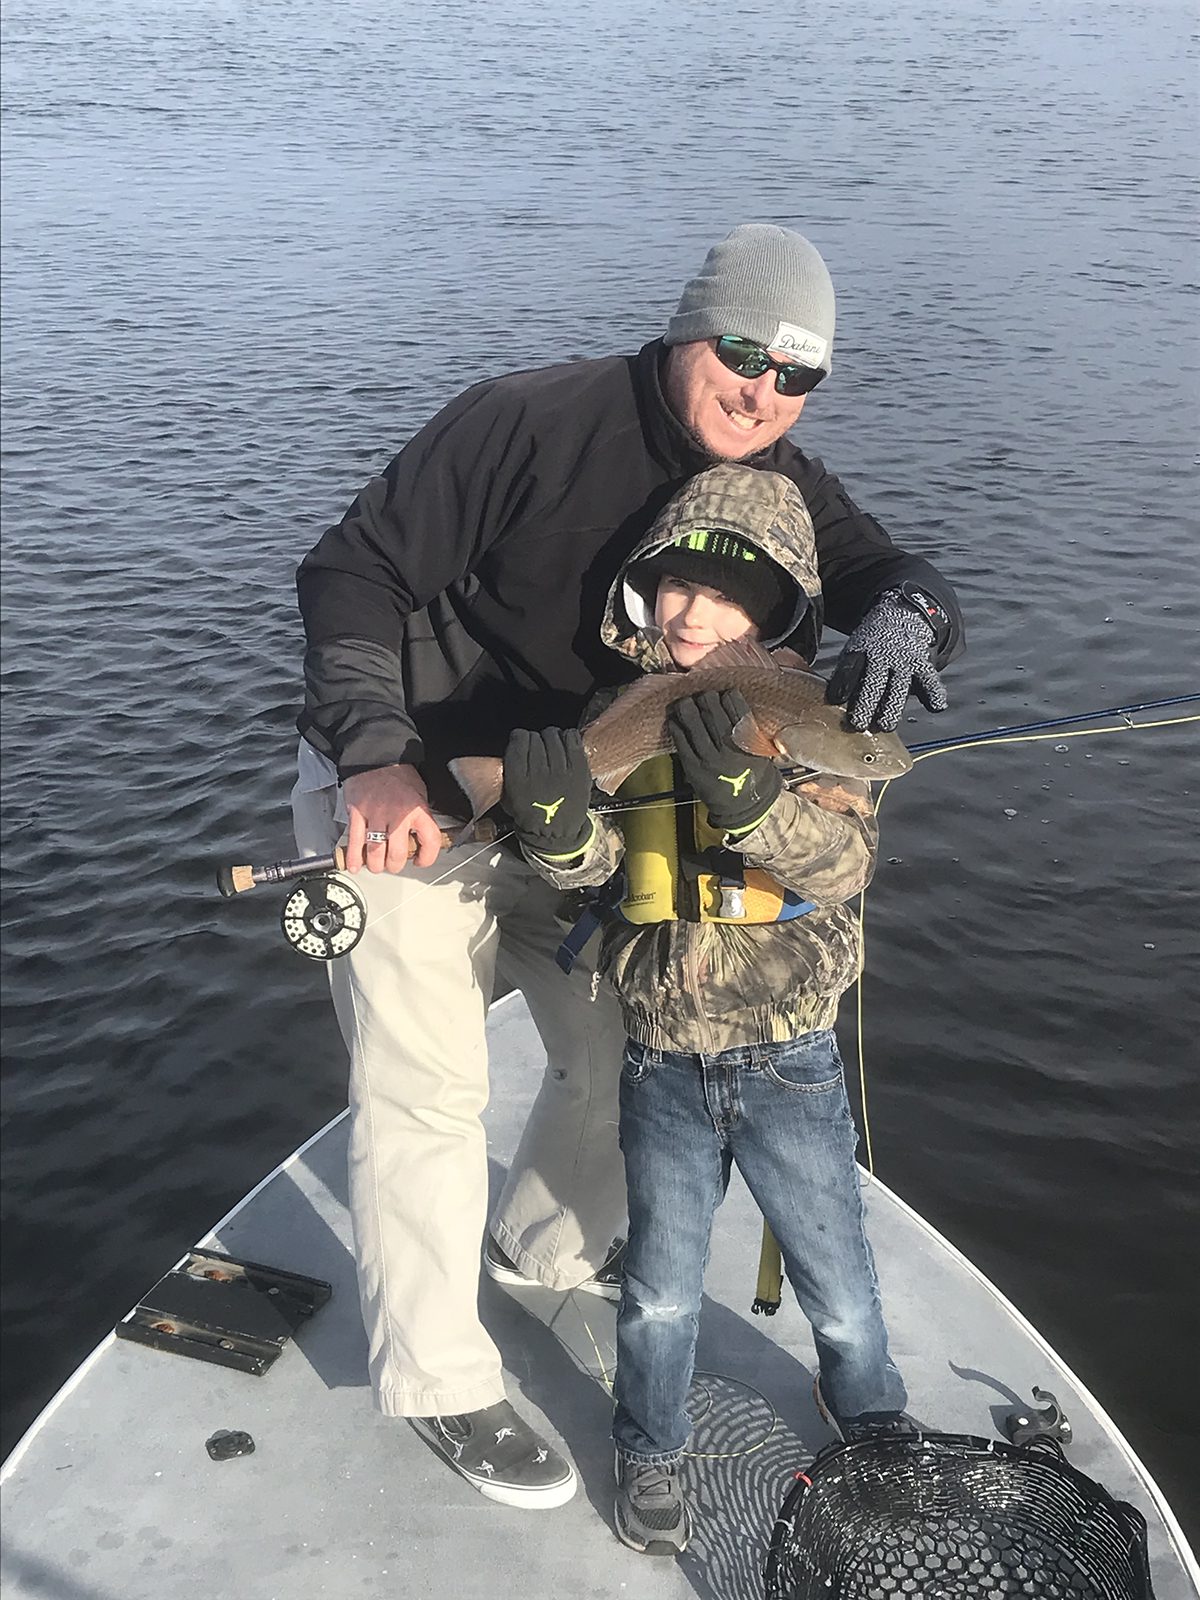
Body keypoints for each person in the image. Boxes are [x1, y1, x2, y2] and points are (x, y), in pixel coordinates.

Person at [290, 223, 961, 1509]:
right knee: (426, 1085)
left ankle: (541, 1251)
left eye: (801, 373)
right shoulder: (523, 420)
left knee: (620, 1048)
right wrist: (374, 755)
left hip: (582, 812)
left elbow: (895, 571)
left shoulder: (775, 476)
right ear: (686, 329)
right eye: (747, 351)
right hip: (413, 794)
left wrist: (911, 611)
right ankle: (442, 1378)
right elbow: (350, 570)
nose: (766, 389)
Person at [501, 462, 910, 1555]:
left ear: (775, 610)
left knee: (841, 1278)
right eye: (673, 588)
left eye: (726, 596)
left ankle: (872, 1422)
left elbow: (842, 861)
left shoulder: (819, 715)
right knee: (662, 1287)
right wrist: (551, 832)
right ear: (641, 595)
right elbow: (596, 873)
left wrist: (760, 805)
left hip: (793, 1056)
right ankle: (650, 1444)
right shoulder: (618, 714)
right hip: (662, 1058)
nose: (692, 613)